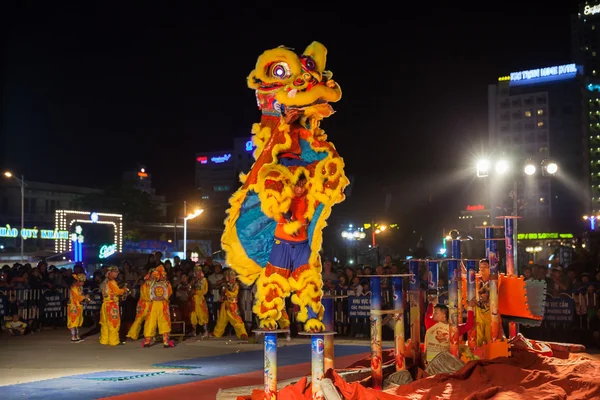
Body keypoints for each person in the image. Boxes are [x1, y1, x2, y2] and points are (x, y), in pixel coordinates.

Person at [424, 298, 475, 364]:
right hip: (432, 363)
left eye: (436, 313)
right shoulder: (430, 323)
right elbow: (428, 314)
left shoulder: (453, 328)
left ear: (444, 315)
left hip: (444, 363)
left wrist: (470, 307)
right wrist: (431, 303)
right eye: (433, 313)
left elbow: (469, 325)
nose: (433, 315)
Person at [142, 265, 175, 348]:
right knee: (151, 322)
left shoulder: (166, 283)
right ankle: (148, 341)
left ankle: (165, 341)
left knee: (164, 322)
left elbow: (169, 293)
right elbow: (146, 294)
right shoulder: (148, 283)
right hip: (153, 304)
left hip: (162, 304)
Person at [212, 269, 248, 339]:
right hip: (224, 304)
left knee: (237, 320)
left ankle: (242, 333)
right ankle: (217, 333)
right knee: (221, 320)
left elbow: (234, 294)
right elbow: (221, 293)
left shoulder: (235, 285)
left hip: (232, 305)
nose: (226, 277)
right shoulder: (224, 284)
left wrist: (226, 292)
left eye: (228, 275)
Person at [99, 266, 129, 346]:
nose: (117, 273)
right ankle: (113, 341)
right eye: (115, 272)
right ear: (111, 273)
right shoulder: (112, 282)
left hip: (105, 305)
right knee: (114, 323)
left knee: (105, 324)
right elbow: (118, 291)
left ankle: (104, 340)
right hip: (111, 305)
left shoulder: (105, 282)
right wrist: (124, 290)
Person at [126, 269, 152, 341]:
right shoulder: (149, 286)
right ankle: (147, 335)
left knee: (139, 320)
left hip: (142, 304)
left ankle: (132, 335)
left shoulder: (145, 285)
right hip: (147, 304)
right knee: (147, 320)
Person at [67, 273, 89, 342]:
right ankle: (73, 337)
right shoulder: (73, 288)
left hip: (78, 306)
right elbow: (78, 297)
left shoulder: (79, 288)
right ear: (78, 281)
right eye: (82, 282)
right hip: (74, 307)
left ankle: (77, 336)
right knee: (74, 321)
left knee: (78, 321)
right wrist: (85, 297)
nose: (83, 283)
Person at [189, 265, 209, 337]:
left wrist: (196, 292)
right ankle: (194, 331)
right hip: (193, 300)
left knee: (202, 315)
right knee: (193, 315)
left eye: (198, 271)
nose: (197, 272)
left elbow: (205, 291)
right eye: (195, 271)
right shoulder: (193, 280)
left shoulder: (204, 280)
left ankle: (205, 331)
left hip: (200, 300)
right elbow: (189, 288)